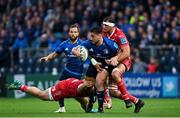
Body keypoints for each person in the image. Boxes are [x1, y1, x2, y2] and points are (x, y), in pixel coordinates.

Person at [101, 17, 144, 113]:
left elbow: (127, 52)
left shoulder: (120, 35)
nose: (103, 27)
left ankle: (127, 100)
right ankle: (137, 102)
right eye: (103, 24)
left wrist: (116, 59)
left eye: (106, 25)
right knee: (113, 92)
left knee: (115, 74)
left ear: (112, 26)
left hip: (123, 60)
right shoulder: (103, 33)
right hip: (111, 61)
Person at [72, 26, 120, 113]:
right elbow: (74, 49)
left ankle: (100, 109)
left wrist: (115, 60)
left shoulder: (110, 45)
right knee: (87, 85)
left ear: (100, 35)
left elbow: (120, 53)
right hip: (94, 65)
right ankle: (92, 99)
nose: (91, 38)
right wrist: (77, 53)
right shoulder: (89, 43)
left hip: (106, 65)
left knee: (99, 82)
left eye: (93, 36)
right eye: (91, 36)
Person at [40, 24, 85, 113]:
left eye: (75, 32)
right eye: (71, 32)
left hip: (78, 73)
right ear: (69, 32)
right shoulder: (64, 44)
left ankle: (88, 104)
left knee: (77, 94)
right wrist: (48, 57)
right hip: (67, 71)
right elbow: (55, 54)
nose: (73, 34)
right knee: (59, 86)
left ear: (78, 33)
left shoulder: (83, 44)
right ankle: (62, 107)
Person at [7, 78, 94, 112]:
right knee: (42, 95)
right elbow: (84, 87)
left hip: (72, 85)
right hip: (63, 88)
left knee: (84, 101)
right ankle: (20, 86)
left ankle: (89, 110)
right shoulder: (86, 86)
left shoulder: (92, 83)